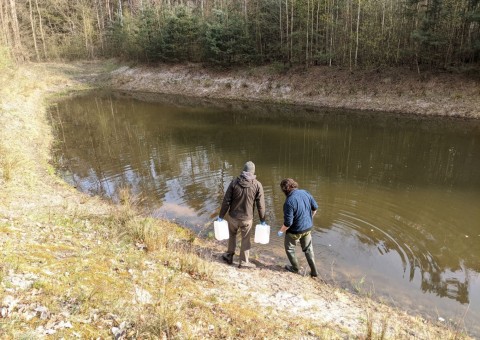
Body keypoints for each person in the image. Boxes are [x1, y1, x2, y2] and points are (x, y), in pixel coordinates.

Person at [217, 161, 266, 268]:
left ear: (243, 170)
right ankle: (243, 262)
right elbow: (260, 205)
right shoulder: (257, 185)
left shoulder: (234, 182)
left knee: (232, 235)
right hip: (247, 219)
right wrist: (263, 220)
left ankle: (229, 255)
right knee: (245, 239)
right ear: (253, 172)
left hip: (233, 217)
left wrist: (221, 216)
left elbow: (226, 201)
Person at [277, 178, 319, 277]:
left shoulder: (289, 202)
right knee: (308, 250)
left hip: (294, 231)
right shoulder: (305, 192)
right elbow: (315, 208)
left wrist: (281, 231)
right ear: (294, 185)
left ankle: (295, 268)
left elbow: (288, 223)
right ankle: (314, 272)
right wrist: (309, 218)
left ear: (284, 190)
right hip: (308, 228)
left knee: (290, 249)